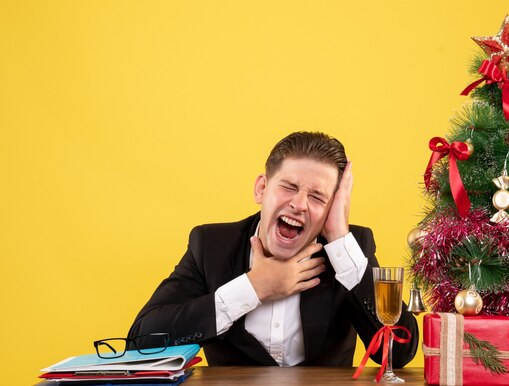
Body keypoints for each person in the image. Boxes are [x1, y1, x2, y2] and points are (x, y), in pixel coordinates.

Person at [128, 131, 418, 367]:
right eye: (289, 187)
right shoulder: (211, 246)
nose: (299, 204)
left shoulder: (350, 249)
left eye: (318, 197)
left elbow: (398, 354)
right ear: (261, 189)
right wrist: (253, 288)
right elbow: (141, 341)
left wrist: (341, 239)